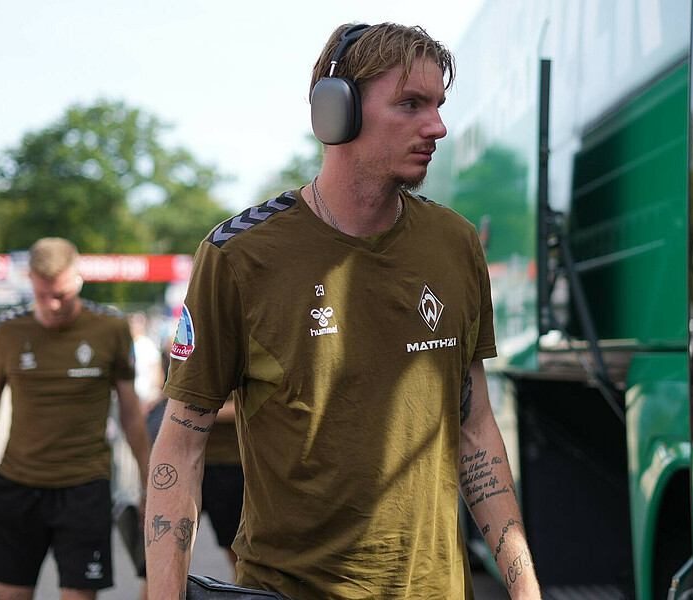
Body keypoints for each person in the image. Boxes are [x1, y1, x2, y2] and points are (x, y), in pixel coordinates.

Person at [146, 22, 541, 599]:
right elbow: (181, 445)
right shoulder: (239, 255)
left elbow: (475, 426)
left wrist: (525, 589)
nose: (438, 126)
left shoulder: (455, 243)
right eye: (411, 104)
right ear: (337, 112)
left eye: (439, 105)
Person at [0, 237, 150, 599]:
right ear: (30, 281)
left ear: (79, 279)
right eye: (42, 295)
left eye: (62, 294)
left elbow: (130, 411)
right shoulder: (9, 330)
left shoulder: (110, 328)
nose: (52, 305)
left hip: (84, 488)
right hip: (17, 486)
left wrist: (150, 481)